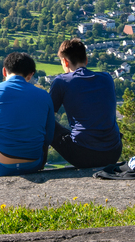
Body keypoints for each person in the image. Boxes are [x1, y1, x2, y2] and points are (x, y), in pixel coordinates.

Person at [49, 38, 122, 168]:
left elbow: (47, 115)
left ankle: (38, 163)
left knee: (46, 121)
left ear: (65, 62)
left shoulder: (62, 82)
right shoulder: (107, 78)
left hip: (83, 155)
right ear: (86, 60)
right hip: (113, 152)